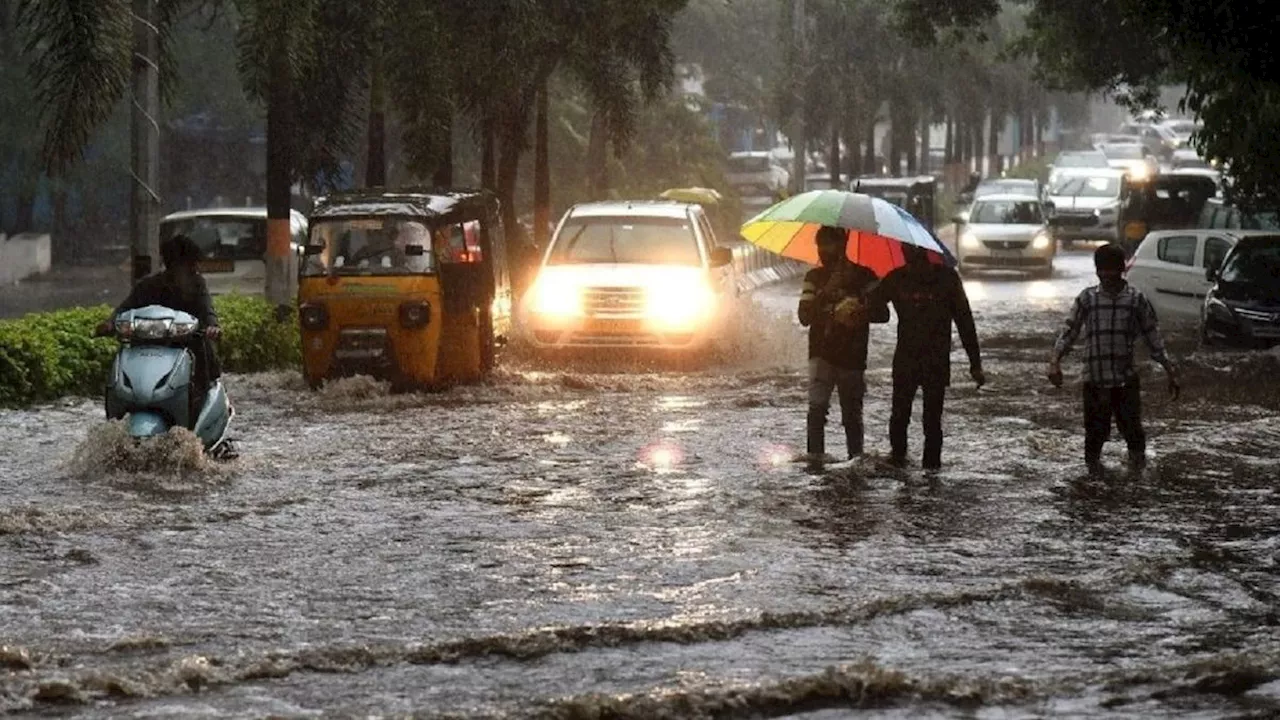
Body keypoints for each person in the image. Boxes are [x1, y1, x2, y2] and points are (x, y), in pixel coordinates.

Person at [1049, 243, 1179, 472]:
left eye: (1112, 270)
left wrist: (1170, 371)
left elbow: (1153, 337)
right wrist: (1055, 361)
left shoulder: (1136, 300)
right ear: (1097, 271)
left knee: (1133, 433)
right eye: (1102, 270)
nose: (1107, 275)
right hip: (1095, 380)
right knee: (1094, 436)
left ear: (1123, 270)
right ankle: (1094, 484)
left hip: (1125, 380)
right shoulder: (1087, 299)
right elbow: (1070, 331)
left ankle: (1136, 481)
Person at [863, 244, 984, 470]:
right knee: (903, 417)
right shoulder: (898, 278)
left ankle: (925, 469)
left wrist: (975, 363)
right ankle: (907, 465)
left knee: (927, 420)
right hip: (910, 360)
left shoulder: (945, 278)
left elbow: (964, 320)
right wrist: (867, 294)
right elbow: (875, 307)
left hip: (932, 361)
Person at [798, 225, 889, 461]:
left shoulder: (864, 276)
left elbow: (883, 313)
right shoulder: (814, 278)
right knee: (816, 410)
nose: (822, 251)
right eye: (820, 246)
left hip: (853, 355)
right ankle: (815, 460)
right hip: (821, 353)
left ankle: (855, 459)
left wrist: (859, 309)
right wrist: (826, 293)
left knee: (852, 414)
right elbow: (804, 316)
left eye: (828, 245)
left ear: (841, 246)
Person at [99, 235, 222, 402]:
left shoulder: (197, 284)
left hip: (187, 344)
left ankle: (200, 399)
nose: (195, 269)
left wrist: (212, 327)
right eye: (190, 265)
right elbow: (124, 309)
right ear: (173, 265)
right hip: (148, 346)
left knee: (203, 357)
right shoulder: (147, 286)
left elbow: (207, 310)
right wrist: (110, 324)